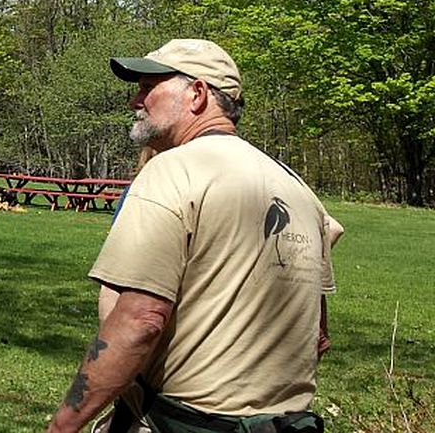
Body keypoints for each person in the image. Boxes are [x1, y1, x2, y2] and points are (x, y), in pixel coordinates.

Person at [49, 39, 334, 433]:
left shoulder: (173, 171)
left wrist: (63, 426)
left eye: (149, 87)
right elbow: (317, 334)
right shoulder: (296, 187)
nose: (136, 100)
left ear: (198, 93)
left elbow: (141, 320)